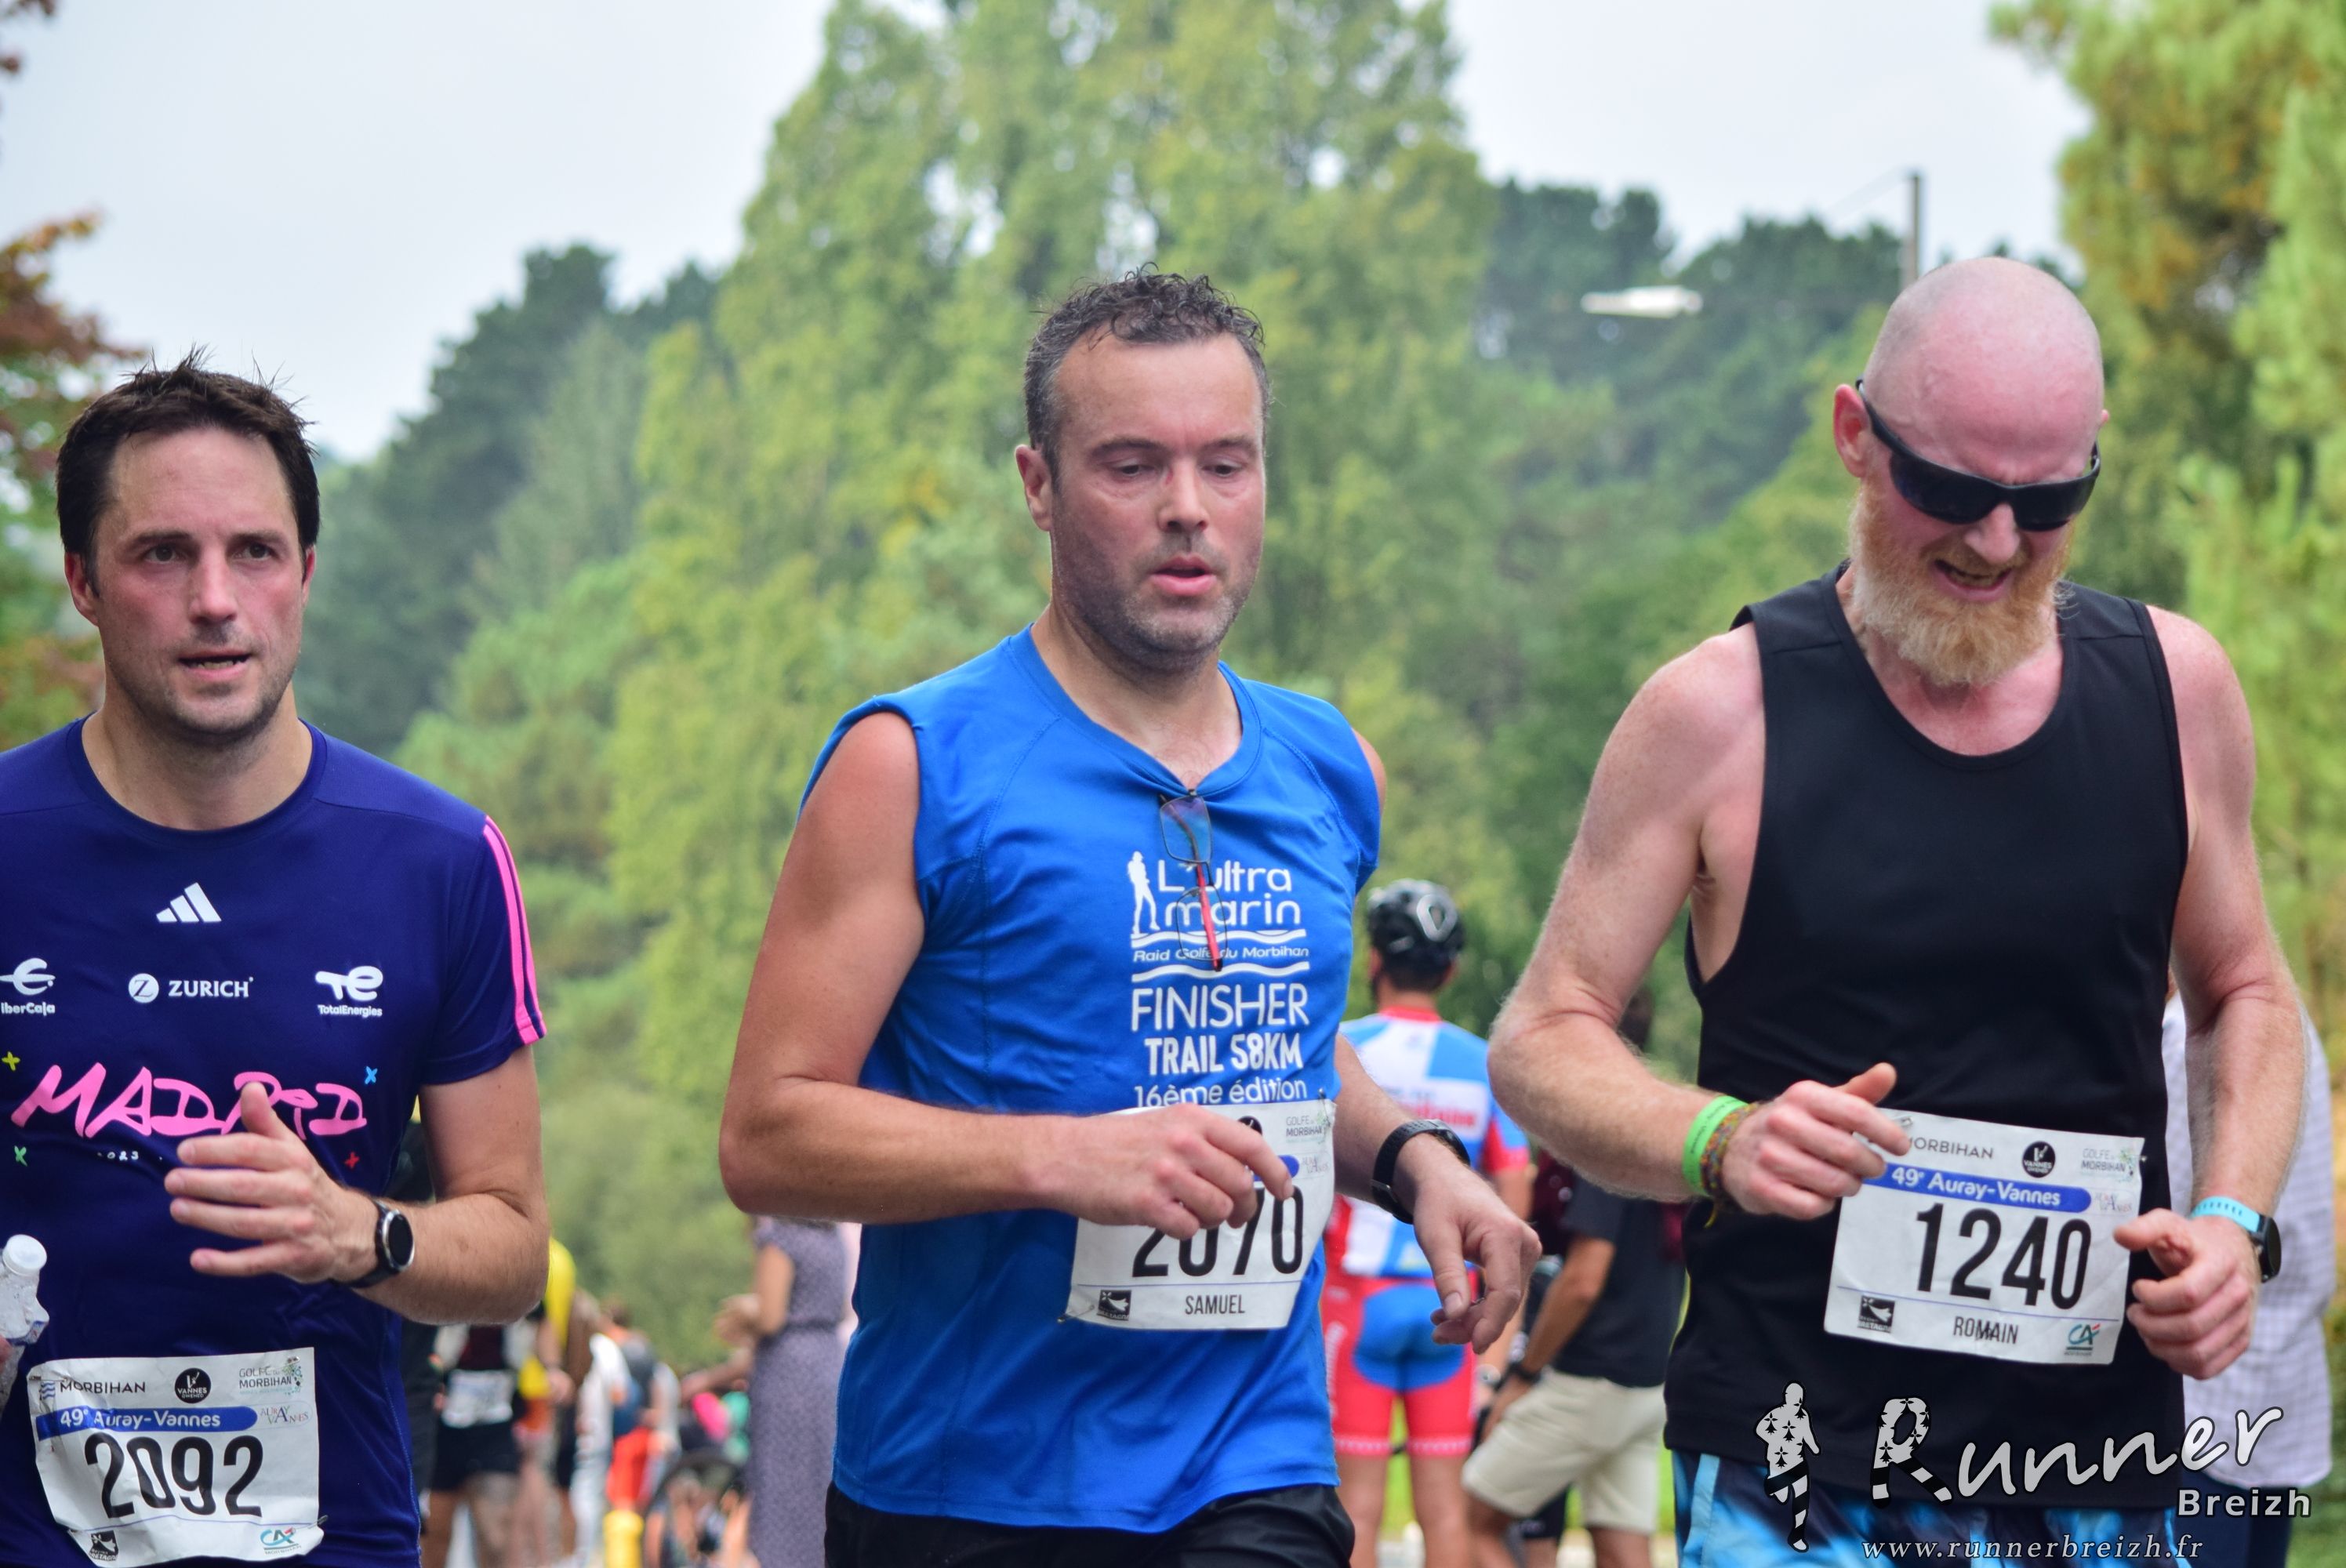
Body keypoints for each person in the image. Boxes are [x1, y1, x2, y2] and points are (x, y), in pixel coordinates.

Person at [1486, 258, 2304, 1562]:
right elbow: (1541, 1035)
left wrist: (2232, 1222)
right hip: (1793, 1472)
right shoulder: (1718, 713)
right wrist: (1717, 1138)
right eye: (1952, 492)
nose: (1996, 543)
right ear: (1855, 437)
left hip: (2088, 1468)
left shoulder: (2176, 691)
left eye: (2048, 502)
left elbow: (2246, 991)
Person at [717, 270, 1536, 1565]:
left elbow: (1281, 1042)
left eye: (1226, 464)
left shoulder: (1331, 767)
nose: (1187, 508)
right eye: (1132, 466)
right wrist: (1061, 1158)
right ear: (1038, 486)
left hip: (1256, 1465)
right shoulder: (912, 765)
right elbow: (768, 1135)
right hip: (974, 1488)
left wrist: (1416, 1164)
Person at [0, 356, 551, 1568]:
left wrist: (361, 1233)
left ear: (305, 572)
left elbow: (513, 1250)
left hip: (333, 1537)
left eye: (253, 552)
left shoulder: (441, 860)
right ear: (84, 581)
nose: (215, 600)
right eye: (163, 555)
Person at [1324, 880, 1531, 1568]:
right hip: (1453, 1302)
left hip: (1357, 1299)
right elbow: (1514, 1188)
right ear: (1451, 972)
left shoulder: (1343, 1049)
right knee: (1444, 1509)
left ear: (1373, 962)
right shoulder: (1482, 1062)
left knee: (1358, 1507)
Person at [1462, 992, 1683, 1568]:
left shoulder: (1604, 1132)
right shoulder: (1659, 1125)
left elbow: (1584, 1279)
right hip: (1645, 1384)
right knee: (1622, 1547)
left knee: (1467, 1519)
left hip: (1588, 1380)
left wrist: (1523, 1375)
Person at [2159, 991, 2334, 1567]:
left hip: (2198, 1406)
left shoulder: (2191, 1037)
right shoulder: (2279, 1014)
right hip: (2273, 1390)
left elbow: (2162, 1227)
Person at [713, 1216, 848, 1568]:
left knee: (784, 1492)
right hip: (828, 1362)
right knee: (819, 1488)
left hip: (789, 1374)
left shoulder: (781, 1236)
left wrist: (745, 1312)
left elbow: (771, 1317)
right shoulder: (831, 1236)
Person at [424, 1320, 536, 1568]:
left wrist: (553, 1367)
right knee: (435, 1535)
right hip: (443, 1424)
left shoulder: (516, 1300)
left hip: (496, 1424)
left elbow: (541, 1321)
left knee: (496, 1535)